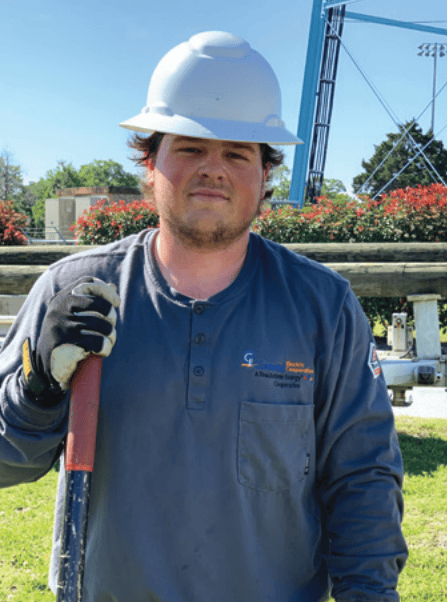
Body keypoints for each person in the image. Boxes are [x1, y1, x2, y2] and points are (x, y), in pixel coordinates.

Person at [0, 31, 407, 602]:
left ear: (265, 175)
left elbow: (362, 478)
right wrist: (37, 385)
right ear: (150, 162)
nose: (213, 169)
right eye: (189, 146)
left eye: (238, 152)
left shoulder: (323, 307)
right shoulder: (79, 290)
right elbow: (6, 463)